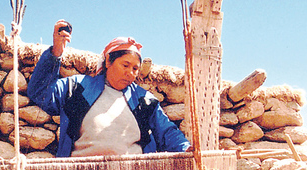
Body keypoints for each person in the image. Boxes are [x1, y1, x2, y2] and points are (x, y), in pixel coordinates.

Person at [28, 20, 190, 158]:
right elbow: (40, 93)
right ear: (108, 62)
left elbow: (167, 132)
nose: (130, 72)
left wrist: (186, 149)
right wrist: (56, 53)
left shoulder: (145, 101)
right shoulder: (76, 88)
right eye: (125, 65)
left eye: (135, 68)